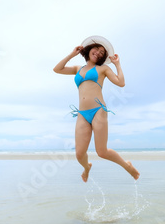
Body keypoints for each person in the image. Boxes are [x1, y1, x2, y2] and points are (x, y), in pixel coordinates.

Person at [53, 36, 140, 182]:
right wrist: (72, 55)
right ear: (89, 49)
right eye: (97, 49)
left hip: (98, 110)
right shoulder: (77, 69)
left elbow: (121, 83)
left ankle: (127, 165)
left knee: (102, 152)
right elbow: (57, 69)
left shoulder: (103, 69)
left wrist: (117, 64)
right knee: (79, 154)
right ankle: (87, 167)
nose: (98, 53)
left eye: (102, 52)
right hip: (82, 114)